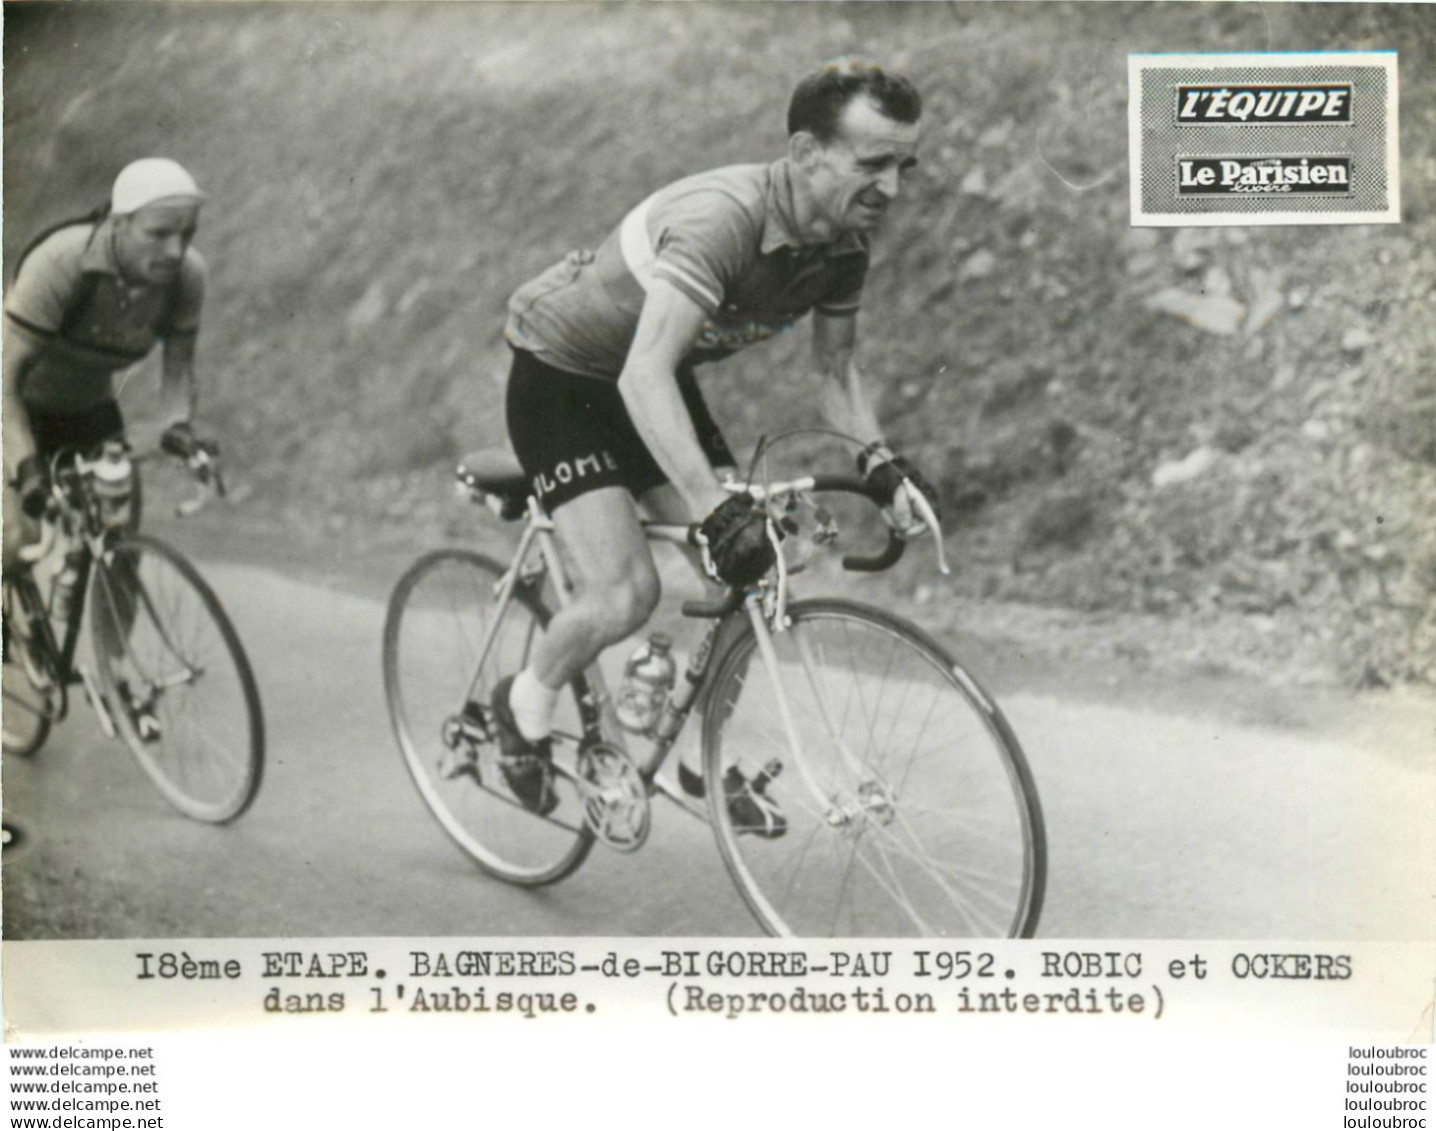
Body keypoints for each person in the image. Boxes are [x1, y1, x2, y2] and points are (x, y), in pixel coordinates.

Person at [490, 61, 941, 834]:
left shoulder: (842, 242)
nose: (893, 189)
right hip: (566, 380)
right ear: (804, 154)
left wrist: (881, 462)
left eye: (905, 165)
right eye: (873, 164)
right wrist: (711, 508)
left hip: (653, 380)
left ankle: (694, 755)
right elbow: (642, 375)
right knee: (625, 593)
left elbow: (834, 369)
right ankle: (522, 702)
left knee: (764, 561)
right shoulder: (722, 219)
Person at [3, 158, 215, 739]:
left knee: (118, 543)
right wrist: (26, 470)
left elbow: (178, 372)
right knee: (17, 535)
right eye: (159, 233)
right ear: (119, 224)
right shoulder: (63, 263)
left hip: (87, 409)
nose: (175, 250)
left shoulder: (186, 276)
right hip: (14, 403)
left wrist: (179, 427)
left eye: (187, 234)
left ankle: (116, 673)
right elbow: (6, 380)